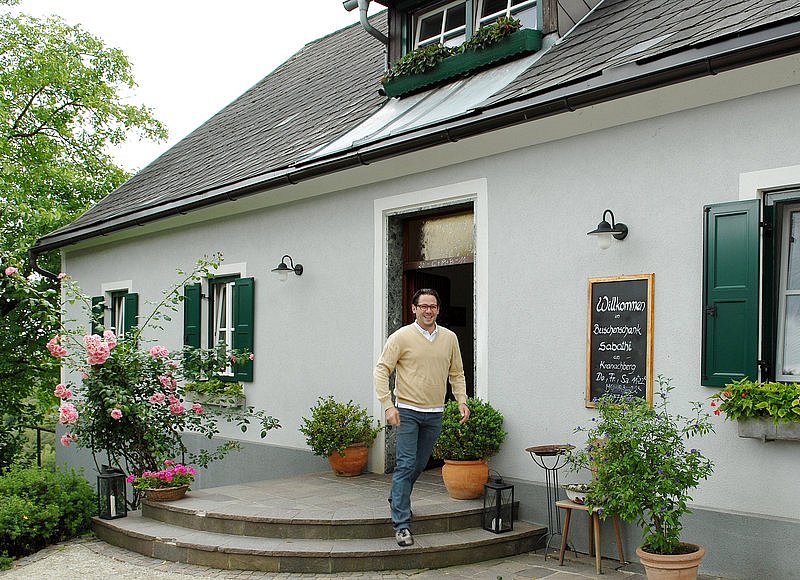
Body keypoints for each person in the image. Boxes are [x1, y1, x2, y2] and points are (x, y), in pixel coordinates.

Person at [374, 288, 470, 547]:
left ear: (438, 309)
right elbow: (382, 370)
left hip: (434, 413)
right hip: (407, 411)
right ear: (414, 309)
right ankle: (402, 525)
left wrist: (461, 400)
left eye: (433, 306)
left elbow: (457, 373)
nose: (428, 310)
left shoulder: (449, 338)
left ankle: (397, 496)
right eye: (423, 306)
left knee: (419, 464)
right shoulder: (401, 337)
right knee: (406, 465)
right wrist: (388, 405)